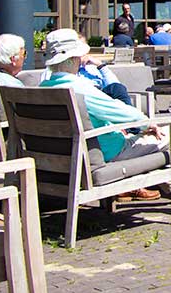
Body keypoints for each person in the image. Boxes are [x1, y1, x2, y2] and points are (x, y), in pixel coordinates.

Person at [38, 29, 163, 202]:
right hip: (107, 152)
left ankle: (165, 186)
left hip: (60, 159)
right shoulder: (78, 88)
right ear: (74, 59)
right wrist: (147, 124)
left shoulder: (42, 88)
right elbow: (117, 110)